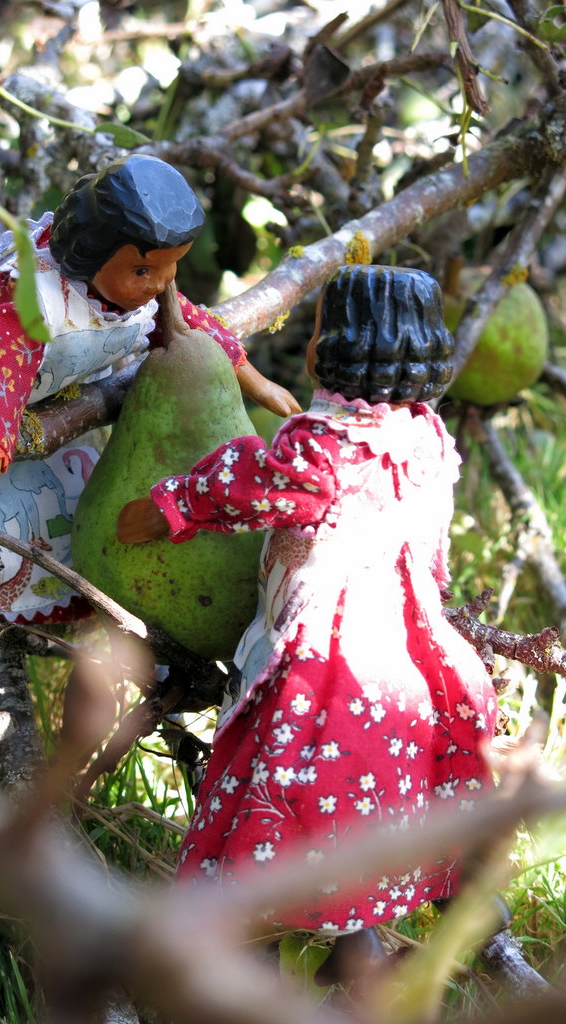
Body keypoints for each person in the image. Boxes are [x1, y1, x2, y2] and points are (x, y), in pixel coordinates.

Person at [117, 264, 499, 980]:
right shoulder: (426, 438)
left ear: (346, 341)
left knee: (279, 791)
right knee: (359, 808)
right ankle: (355, 958)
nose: (314, 336)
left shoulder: (319, 443)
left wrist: (166, 506)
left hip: (328, 652)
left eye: (323, 325)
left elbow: (242, 484)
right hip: (407, 649)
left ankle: (248, 955)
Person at [0, 154, 299, 622]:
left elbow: (185, 318)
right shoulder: (27, 303)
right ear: (92, 253)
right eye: (144, 272)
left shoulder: (140, 281)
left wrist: (254, 381)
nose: (162, 284)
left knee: (51, 516)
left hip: (43, 408)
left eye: (172, 267)